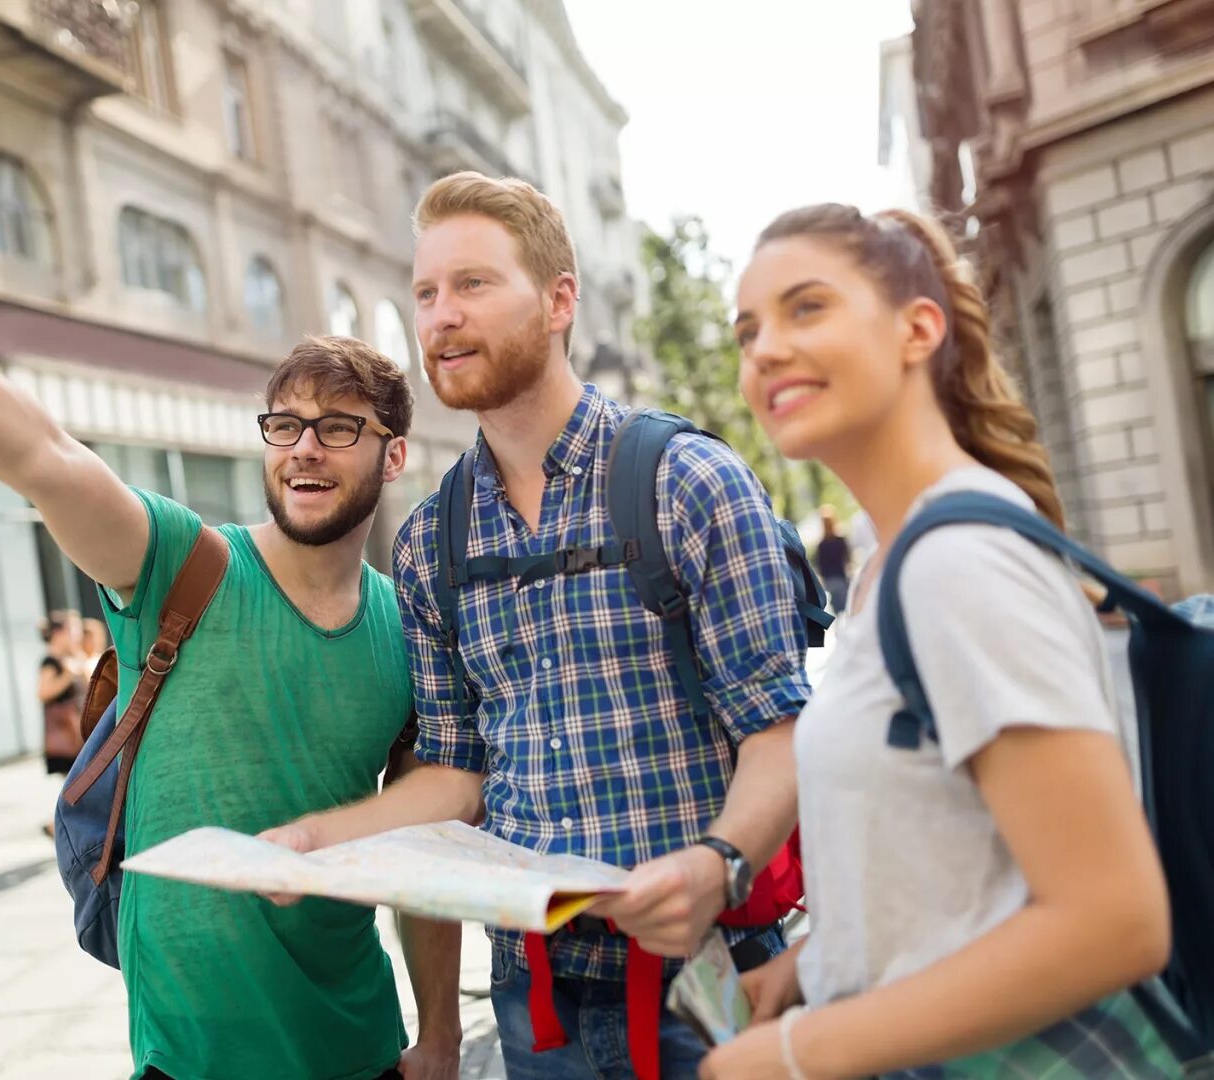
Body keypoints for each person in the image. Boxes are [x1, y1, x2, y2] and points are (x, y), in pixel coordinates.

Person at [0, 200, 463, 1080]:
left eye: (340, 428)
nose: (305, 449)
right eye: (285, 425)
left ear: (392, 457)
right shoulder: (181, 564)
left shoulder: (408, 629)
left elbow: (417, 850)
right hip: (187, 1059)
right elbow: (40, 454)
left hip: (359, 1050)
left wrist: (439, 1032)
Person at [264, 172, 812, 1079]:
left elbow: (781, 729)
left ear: (560, 300)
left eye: (473, 284)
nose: (440, 317)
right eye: (427, 293)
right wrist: (322, 838)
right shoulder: (433, 538)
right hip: (536, 1003)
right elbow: (454, 769)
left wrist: (716, 865)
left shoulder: (688, 482)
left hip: (714, 984)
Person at [693, 204, 1178, 1077]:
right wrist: (817, 965)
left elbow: (1116, 922)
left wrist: (795, 1054)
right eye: (747, 330)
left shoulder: (959, 563)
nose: (762, 349)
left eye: (806, 308)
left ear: (919, 328)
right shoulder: (896, 560)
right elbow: (957, 849)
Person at [39, 610, 86, 779]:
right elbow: (43, 693)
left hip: (76, 732)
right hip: (65, 734)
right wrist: (67, 676)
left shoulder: (70, 658)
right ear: (59, 633)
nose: (77, 635)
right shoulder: (51, 662)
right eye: (73, 630)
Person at [813, 506, 850, 614]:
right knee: (846, 610)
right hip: (841, 578)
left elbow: (819, 565)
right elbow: (847, 560)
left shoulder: (821, 545)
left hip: (829, 581)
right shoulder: (841, 540)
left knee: (837, 611)